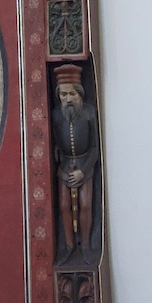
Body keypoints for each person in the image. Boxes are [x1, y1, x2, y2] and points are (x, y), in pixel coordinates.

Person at [51, 65, 99, 258]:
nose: (68, 99)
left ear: (80, 94)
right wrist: (61, 167)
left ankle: (86, 245)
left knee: (85, 205)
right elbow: (55, 142)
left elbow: (95, 148)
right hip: (65, 165)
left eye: (72, 93)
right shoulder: (56, 115)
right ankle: (69, 247)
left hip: (84, 164)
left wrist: (84, 171)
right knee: (64, 206)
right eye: (63, 95)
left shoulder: (89, 113)